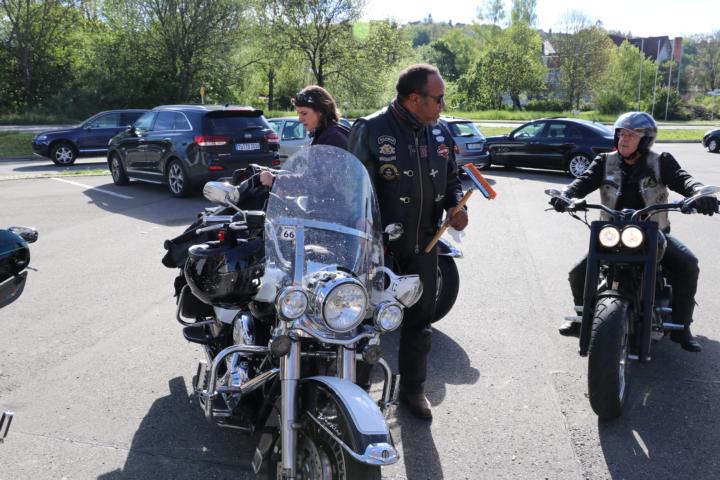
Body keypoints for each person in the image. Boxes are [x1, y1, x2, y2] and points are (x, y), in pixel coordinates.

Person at [348, 64, 468, 419]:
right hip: (378, 249)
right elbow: (353, 190)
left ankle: (413, 390)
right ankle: (355, 396)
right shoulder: (371, 129)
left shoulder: (440, 131)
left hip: (425, 245)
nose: (442, 105)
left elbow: (452, 180)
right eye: (438, 98)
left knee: (420, 322)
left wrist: (456, 207)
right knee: (368, 322)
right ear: (415, 99)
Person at [552, 111, 718, 352]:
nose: (623, 139)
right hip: (611, 233)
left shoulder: (660, 161)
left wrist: (699, 194)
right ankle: (582, 317)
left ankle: (682, 327)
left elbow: (684, 179)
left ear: (645, 139)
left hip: (653, 234)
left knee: (688, 264)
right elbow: (583, 182)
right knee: (578, 271)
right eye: (621, 133)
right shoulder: (604, 161)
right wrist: (566, 195)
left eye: (631, 134)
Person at [259, 85, 349, 188]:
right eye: (299, 113)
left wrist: (276, 181)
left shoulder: (334, 137)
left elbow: (317, 181)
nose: (300, 119)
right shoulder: (322, 134)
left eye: (304, 113)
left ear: (320, 111)